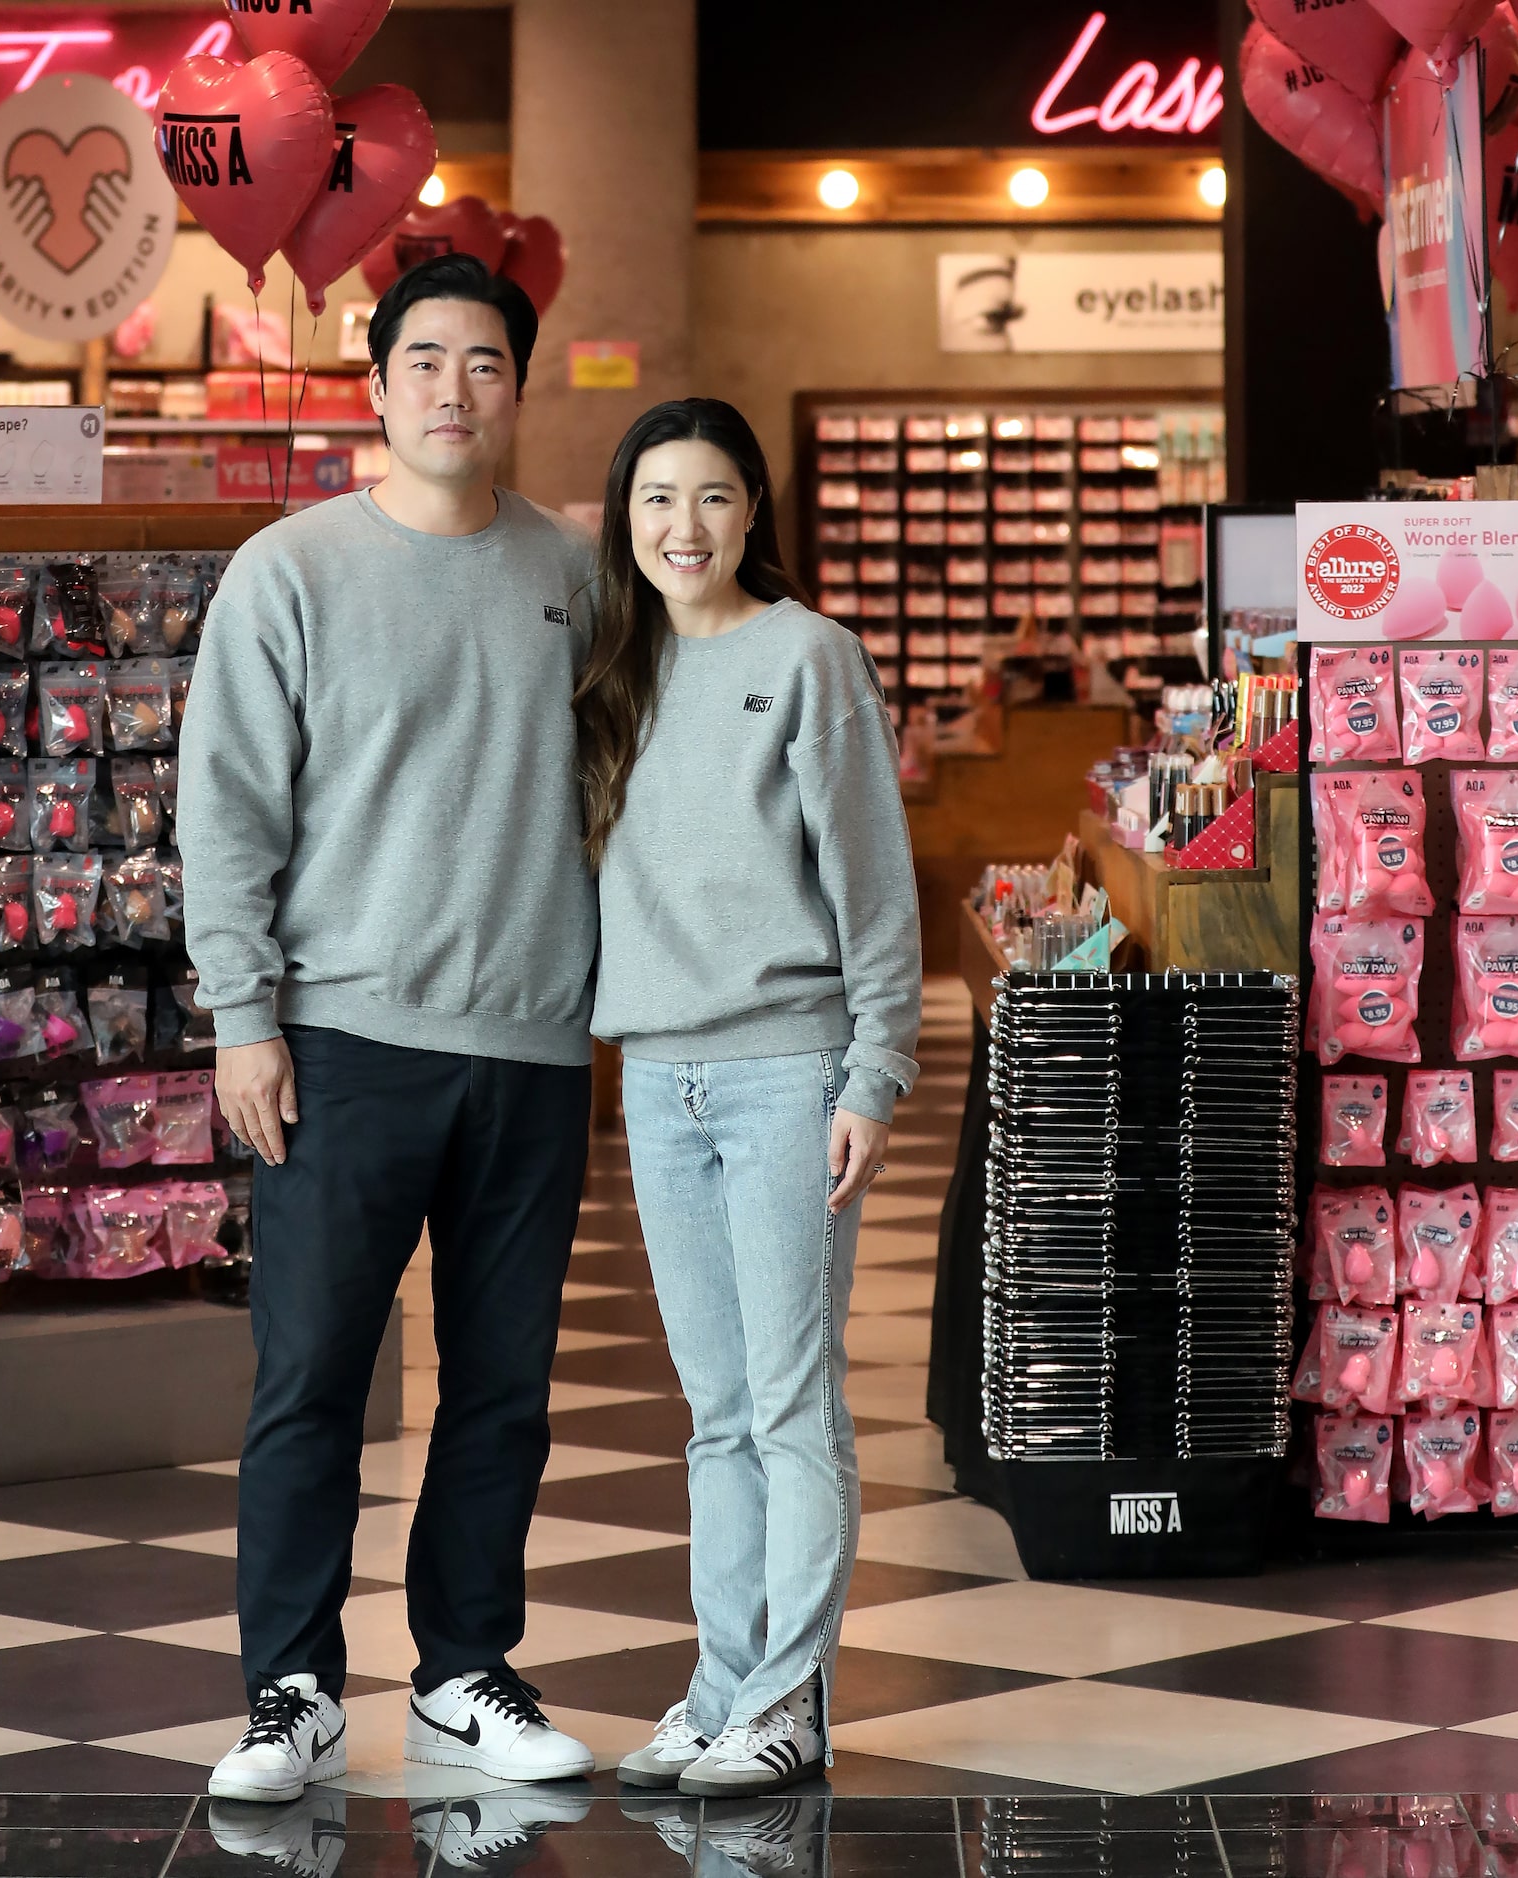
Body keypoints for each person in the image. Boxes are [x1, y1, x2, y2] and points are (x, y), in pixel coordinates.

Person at [179, 253, 601, 1806]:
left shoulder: (578, 575)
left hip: (535, 1045)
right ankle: (289, 1686)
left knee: (505, 1385)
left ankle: (462, 1669)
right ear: (375, 384)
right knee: (312, 1378)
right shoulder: (290, 572)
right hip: (339, 1040)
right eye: (423, 360)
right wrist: (244, 1017)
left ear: (516, 386)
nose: (451, 388)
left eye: (483, 363)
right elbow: (222, 812)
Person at [576, 398, 921, 1797]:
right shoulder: (614, 671)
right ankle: (722, 1686)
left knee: (793, 1406)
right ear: (626, 519)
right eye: (658, 500)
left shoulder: (811, 657)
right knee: (713, 1410)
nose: (684, 527)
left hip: (790, 1070)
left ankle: (788, 1699)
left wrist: (875, 1073)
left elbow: (874, 880)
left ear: (754, 511)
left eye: (713, 497)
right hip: (656, 1078)